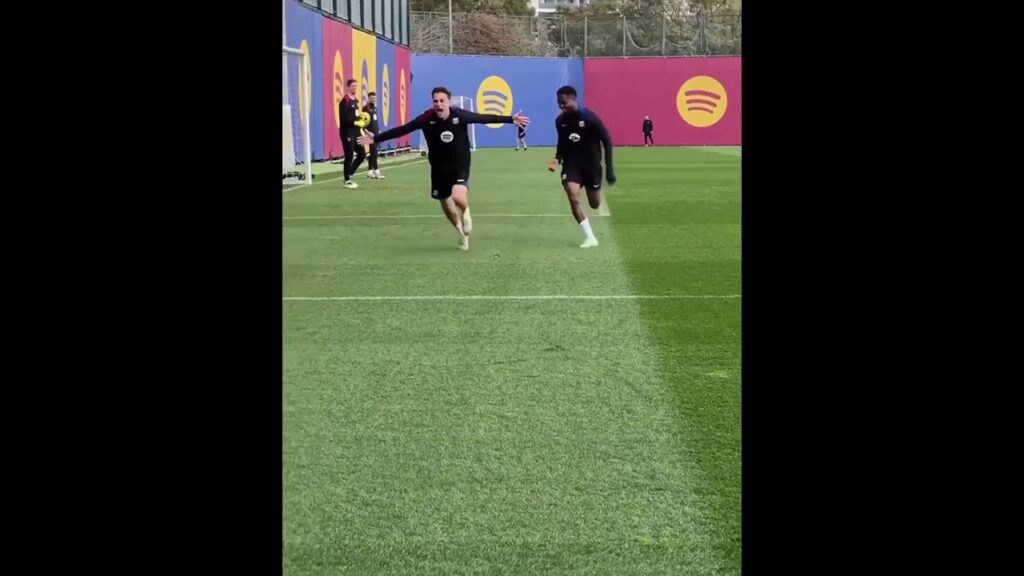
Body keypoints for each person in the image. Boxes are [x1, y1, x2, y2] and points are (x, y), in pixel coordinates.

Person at [358, 87, 530, 250]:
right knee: (447, 205)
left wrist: (510, 119)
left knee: (458, 195)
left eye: (442, 101)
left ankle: (466, 211)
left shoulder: (459, 115)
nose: (439, 104)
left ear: (448, 102)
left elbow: (482, 117)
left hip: (460, 162)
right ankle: (461, 233)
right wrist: (376, 139)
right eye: (435, 101)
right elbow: (404, 129)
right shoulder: (426, 118)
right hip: (439, 167)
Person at [547, 85, 615, 248]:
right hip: (571, 166)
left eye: (564, 102)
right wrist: (557, 158)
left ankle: (596, 190)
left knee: (594, 204)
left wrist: (609, 169)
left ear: (573, 99)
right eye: (558, 103)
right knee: (573, 197)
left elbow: (607, 140)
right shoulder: (560, 121)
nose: (561, 106)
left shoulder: (590, 118)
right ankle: (590, 237)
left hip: (591, 166)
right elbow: (562, 142)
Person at [339, 79, 367, 188]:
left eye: (356, 86)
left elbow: (354, 115)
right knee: (349, 155)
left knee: (362, 154)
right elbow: (343, 117)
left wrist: (361, 120)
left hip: (356, 132)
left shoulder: (355, 101)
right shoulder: (345, 101)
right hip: (347, 132)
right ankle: (347, 180)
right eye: (352, 86)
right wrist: (355, 121)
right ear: (348, 87)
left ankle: (349, 174)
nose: (354, 88)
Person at [363, 92, 384, 179]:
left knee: (373, 153)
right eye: (371, 98)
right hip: (370, 134)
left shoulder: (375, 108)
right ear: (368, 98)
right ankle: (377, 171)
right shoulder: (365, 109)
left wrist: (378, 130)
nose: (373, 100)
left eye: (374, 98)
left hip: (376, 133)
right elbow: (363, 123)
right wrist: (367, 132)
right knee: (374, 152)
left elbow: (374, 122)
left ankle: (369, 171)